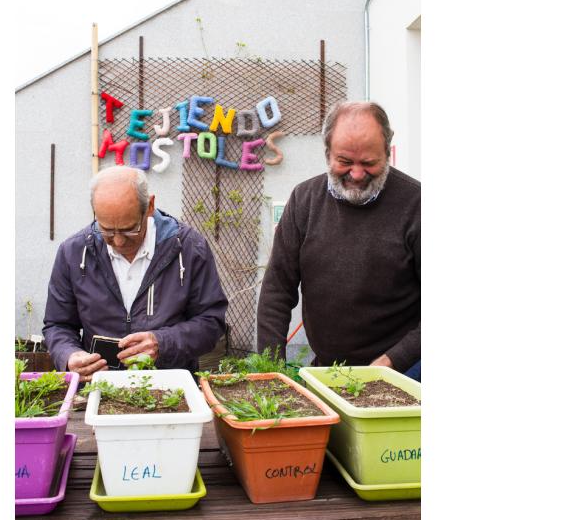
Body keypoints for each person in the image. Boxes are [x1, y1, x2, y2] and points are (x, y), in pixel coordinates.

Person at [256, 101, 420, 381]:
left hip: (407, 369)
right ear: (327, 153)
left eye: (369, 163)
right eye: (345, 162)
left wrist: (392, 361)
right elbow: (277, 291)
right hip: (328, 368)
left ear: (388, 153)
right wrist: (271, 371)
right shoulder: (304, 201)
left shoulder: (417, 204)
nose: (356, 174)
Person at [43, 166, 228, 381]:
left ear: (149, 206)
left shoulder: (189, 248)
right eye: (107, 230)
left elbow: (211, 322)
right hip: (98, 390)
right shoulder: (74, 252)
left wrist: (163, 343)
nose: (119, 241)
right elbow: (58, 325)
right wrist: (69, 355)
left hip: (171, 388)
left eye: (129, 229)